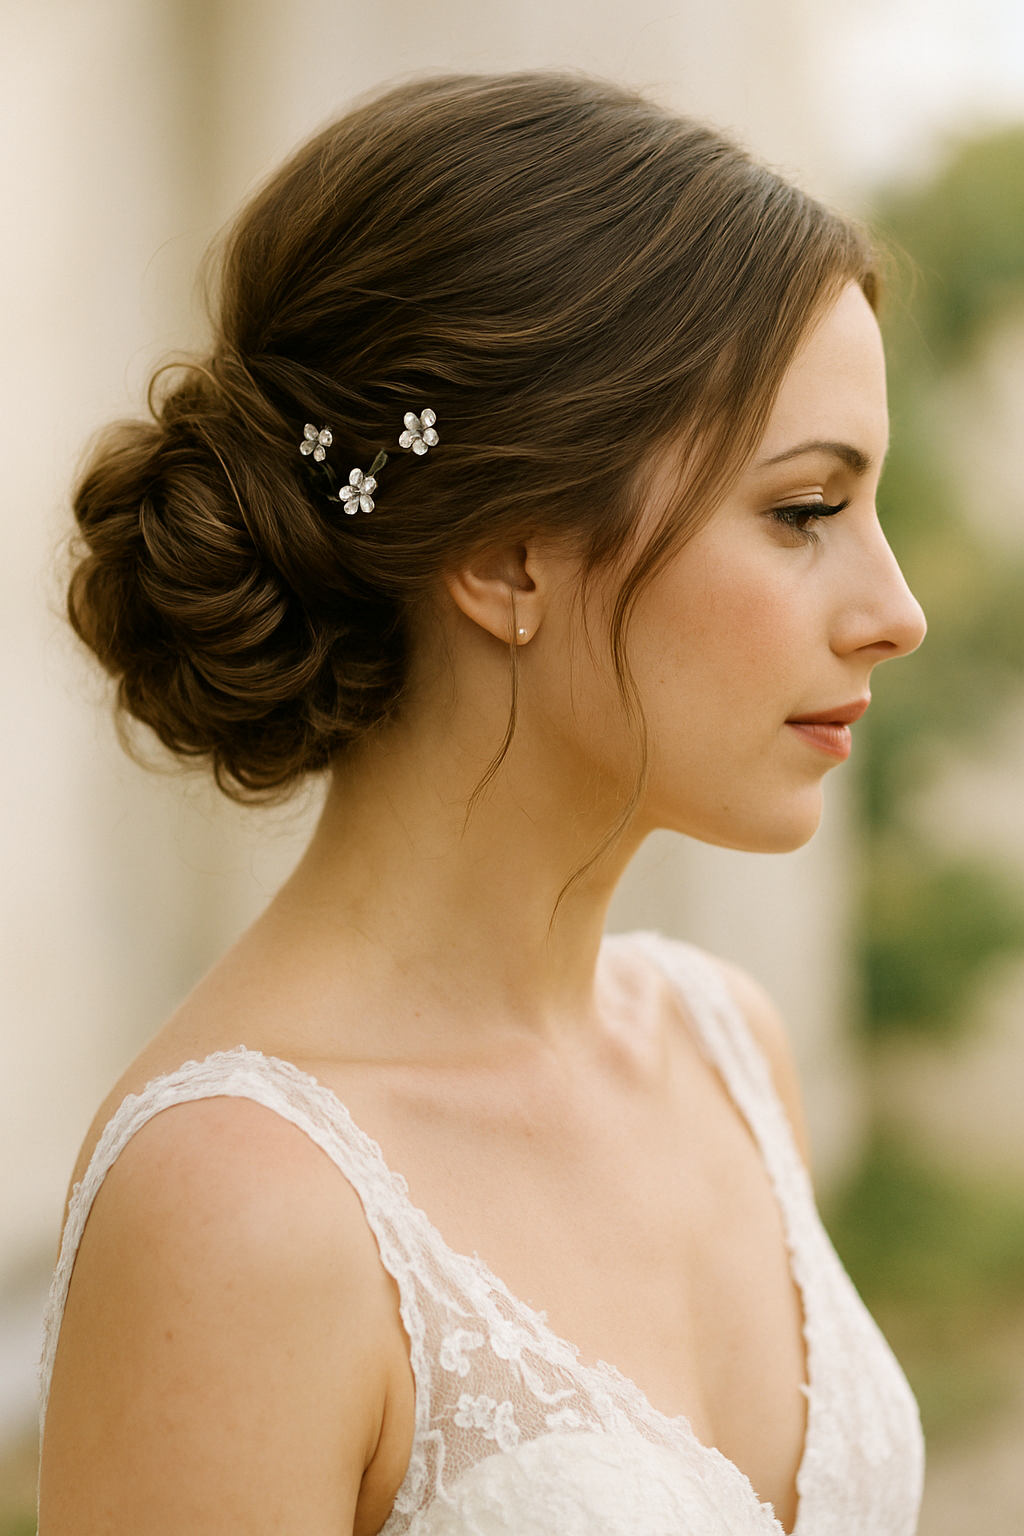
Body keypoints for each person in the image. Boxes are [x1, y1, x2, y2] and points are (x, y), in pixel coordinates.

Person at [37, 72, 927, 1536]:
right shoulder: (236, 1204)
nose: (896, 612)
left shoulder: (724, 1046)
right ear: (509, 558)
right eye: (804, 512)